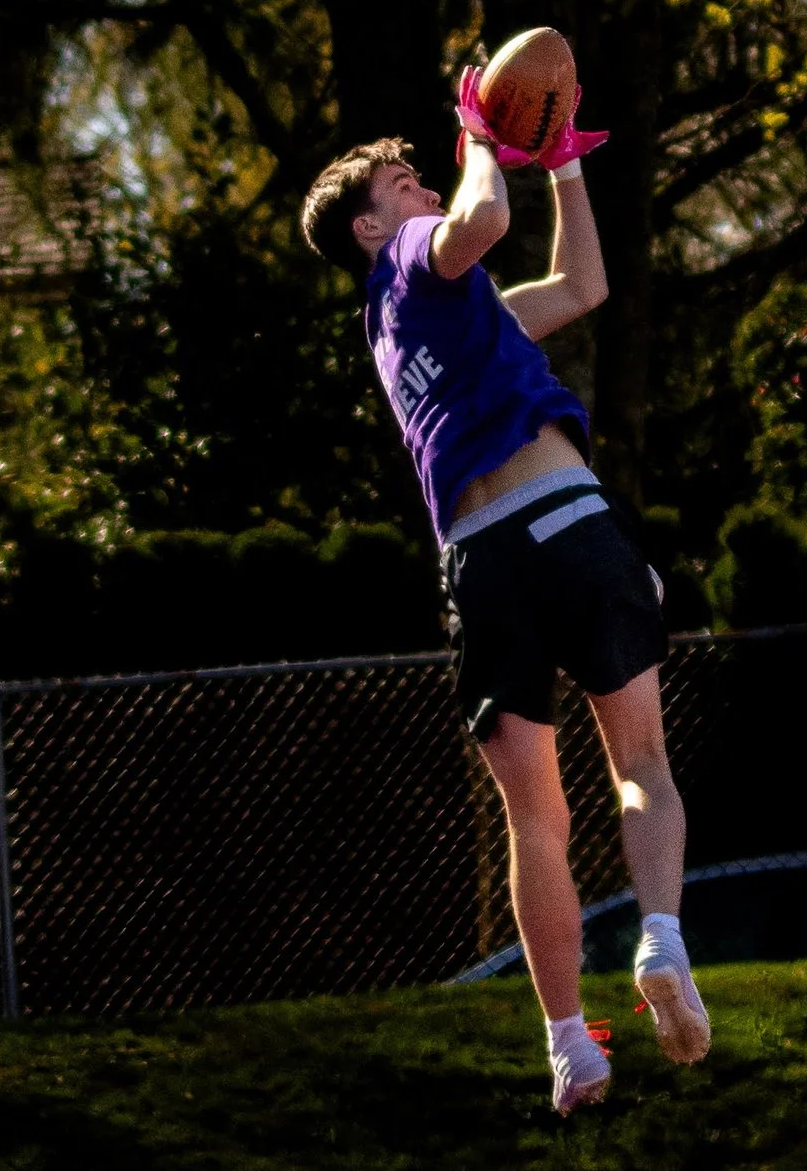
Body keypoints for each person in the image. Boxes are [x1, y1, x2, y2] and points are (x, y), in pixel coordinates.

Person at [299, 86, 711, 1114]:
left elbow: (580, 284)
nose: (425, 187)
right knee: (642, 763)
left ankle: (570, 1045)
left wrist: (562, 157)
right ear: (369, 226)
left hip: (482, 563)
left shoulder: (407, 327)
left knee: (534, 819)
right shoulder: (410, 254)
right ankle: (660, 937)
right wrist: (487, 138)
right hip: (569, 520)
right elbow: (482, 221)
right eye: (405, 184)